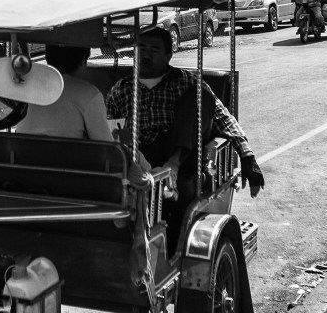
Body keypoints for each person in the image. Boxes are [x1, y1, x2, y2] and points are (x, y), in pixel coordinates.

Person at [105, 24, 265, 200]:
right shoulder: (120, 90)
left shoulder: (186, 81)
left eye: (154, 50)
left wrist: (247, 156)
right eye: (141, 49)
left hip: (181, 155)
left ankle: (172, 167)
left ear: (168, 55)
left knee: (200, 95)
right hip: (140, 155)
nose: (146, 55)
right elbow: (109, 132)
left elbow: (223, 118)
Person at [15, 45, 113, 142]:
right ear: (83, 60)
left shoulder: (26, 90)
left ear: (47, 56)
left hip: (21, 151)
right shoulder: (89, 94)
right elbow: (106, 146)